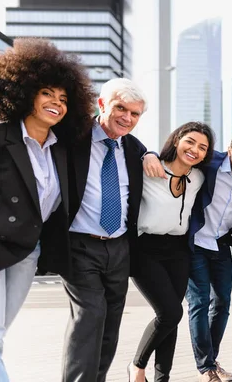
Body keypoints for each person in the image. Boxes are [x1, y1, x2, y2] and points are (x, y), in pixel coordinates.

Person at [0, 38, 95, 382]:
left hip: (27, 251)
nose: (56, 103)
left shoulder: (61, 150)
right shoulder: (2, 136)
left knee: (1, 333)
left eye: (64, 98)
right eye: (47, 93)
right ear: (25, 92)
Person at [143, 130, 232, 382]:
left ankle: (212, 360)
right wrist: (149, 154)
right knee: (199, 303)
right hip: (194, 243)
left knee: (222, 303)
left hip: (221, 246)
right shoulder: (210, 164)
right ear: (229, 151)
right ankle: (205, 367)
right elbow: (176, 155)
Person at [60, 78, 148, 382]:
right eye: (120, 108)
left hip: (119, 247)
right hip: (81, 246)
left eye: (135, 114)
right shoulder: (73, 137)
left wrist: (149, 154)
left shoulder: (135, 149)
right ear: (102, 104)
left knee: (110, 325)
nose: (127, 118)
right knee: (89, 318)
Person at [128, 122, 215, 382]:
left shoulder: (198, 177)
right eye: (190, 142)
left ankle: (161, 378)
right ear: (176, 140)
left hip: (178, 251)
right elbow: (131, 151)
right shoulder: (148, 168)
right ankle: (136, 365)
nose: (195, 150)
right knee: (170, 313)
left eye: (202, 147)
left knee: (170, 316)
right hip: (145, 249)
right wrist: (149, 154)